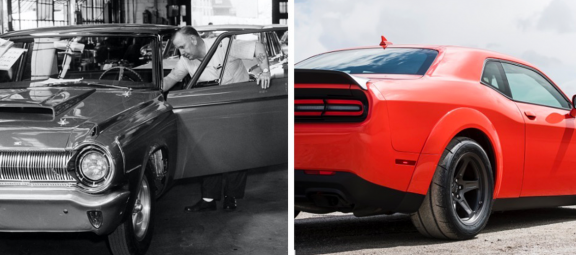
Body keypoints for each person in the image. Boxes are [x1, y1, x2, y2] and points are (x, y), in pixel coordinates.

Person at [163, 26, 271, 212]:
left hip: (237, 106)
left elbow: (257, 47)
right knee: (208, 152)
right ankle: (208, 199)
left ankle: (231, 197)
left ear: (194, 40)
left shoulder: (223, 45)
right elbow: (172, 78)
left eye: (182, 47)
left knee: (236, 152)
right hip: (210, 110)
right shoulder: (185, 60)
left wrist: (265, 70)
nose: (182, 52)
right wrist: (149, 91)